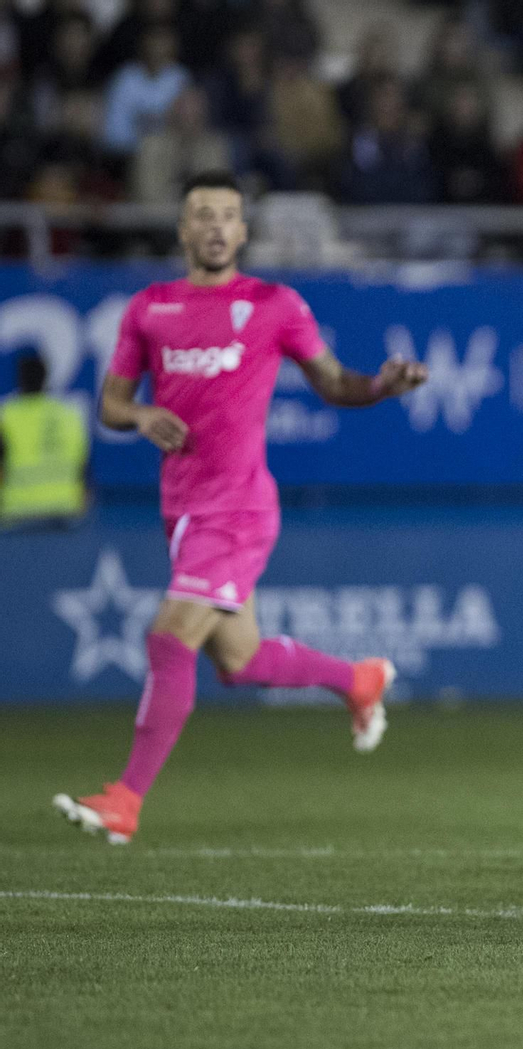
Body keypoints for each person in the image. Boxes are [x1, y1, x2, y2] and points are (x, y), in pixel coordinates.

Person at [52, 171, 429, 845]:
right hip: (183, 511)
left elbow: (335, 383)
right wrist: (139, 414)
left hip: (239, 507)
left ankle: (125, 798)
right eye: (203, 214)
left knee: (168, 637)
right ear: (183, 228)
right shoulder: (149, 309)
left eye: (229, 215)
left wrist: (381, 385)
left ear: (244, 231)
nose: (218, 226)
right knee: (238, 660)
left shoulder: (274, 304)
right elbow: (110, 402)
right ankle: (358, 677)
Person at [0, 351, 89, 527]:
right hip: (66, 512)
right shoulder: (69, 414)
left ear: (19, 380)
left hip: (17, 512)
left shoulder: (7, 415)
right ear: (46, 378)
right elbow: (84, 469)